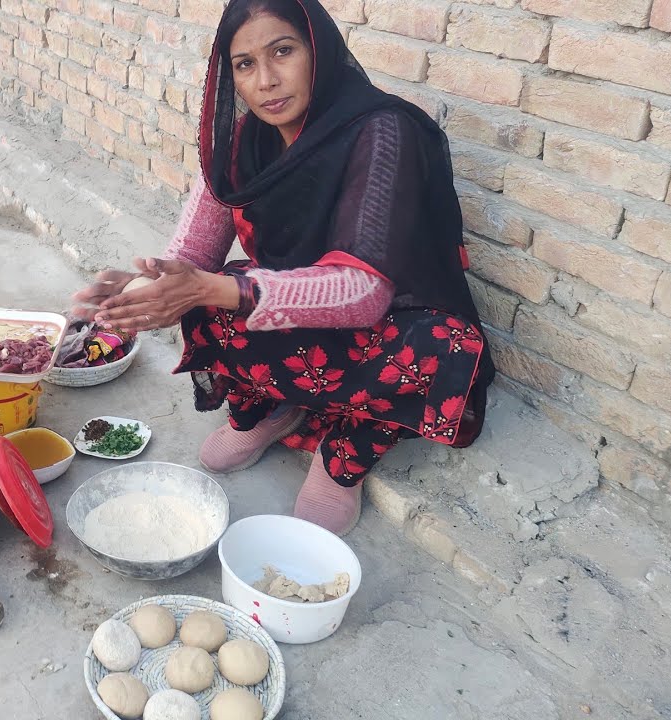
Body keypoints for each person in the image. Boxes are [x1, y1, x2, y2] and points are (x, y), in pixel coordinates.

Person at [73, 0, 495, 536]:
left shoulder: (382, 131)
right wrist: (146, 285)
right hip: (300, 311)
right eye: (245, 64)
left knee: (444, 346)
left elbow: (363, 291)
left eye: (283, 51)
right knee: (203, 290)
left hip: (389, 318)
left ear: (318, 51)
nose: (266, 80)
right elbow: (194, 255)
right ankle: (269, 409)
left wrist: (215, 288)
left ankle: (344, 453)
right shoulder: (243, 141)